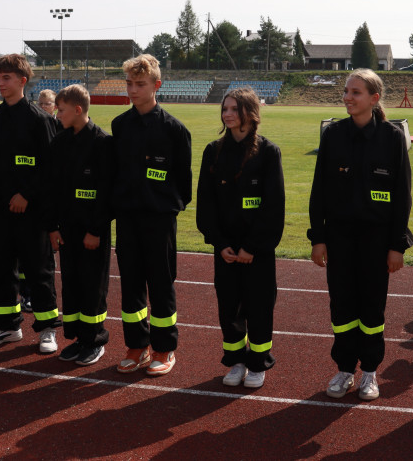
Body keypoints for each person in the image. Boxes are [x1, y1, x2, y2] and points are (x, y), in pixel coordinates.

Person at [309, 70, 411, 401]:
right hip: (338, 238)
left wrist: (397, 244)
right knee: (341, 306)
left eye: (356, 92)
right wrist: (318, 237)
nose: (348, 97)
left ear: (374, 98)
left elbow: (402, 195)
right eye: (346, 92)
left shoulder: (392, 137)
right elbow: (319, 191)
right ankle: (343, 369)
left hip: (377, 240)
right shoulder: (333, 134)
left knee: (371, 308)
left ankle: (369, 372)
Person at [198, 88, 285, 389]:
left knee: (259, 308)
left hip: (256, 252)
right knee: (229, 308)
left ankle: (259, 363)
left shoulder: (268, 152)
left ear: (250, 112)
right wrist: (220, 244)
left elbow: (274, 207)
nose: (228, 114)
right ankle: (235, 361)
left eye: (235, 108)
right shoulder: (214, 150)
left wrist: (252, 247)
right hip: (226, 251)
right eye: (225, 108)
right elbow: (206, 204)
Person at [112, 54, 192, 376]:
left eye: (140, 84)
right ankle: (137, 346)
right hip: (128, 220)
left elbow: (183, 183)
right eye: (129, 83)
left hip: (159, 221)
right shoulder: (120, 125)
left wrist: (164, 206)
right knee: (130, 283)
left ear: (156, 85)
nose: (132, 89)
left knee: (161, 284)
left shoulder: (174, 129)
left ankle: (164, 348)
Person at [0, 54, 61, 352]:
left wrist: (27, 194)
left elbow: (50, 167)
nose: (0, 83)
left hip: (32, 213)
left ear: (22, 81)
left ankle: (47, 329)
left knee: (39, 270)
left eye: (6, 78)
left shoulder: (40, 120)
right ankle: (6, 327)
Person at [43, 84, 114, 365]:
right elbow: (50, 188)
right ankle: (77, 338)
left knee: (93, 286)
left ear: (77, 110)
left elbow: (107, 193)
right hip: (66, 229)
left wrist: (95, 230)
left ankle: (94, 340)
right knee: (71, 283)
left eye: (60, 110)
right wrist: (53, 227)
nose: (56, 115)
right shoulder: (59, 142)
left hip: (92, 231)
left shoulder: (102, 143)